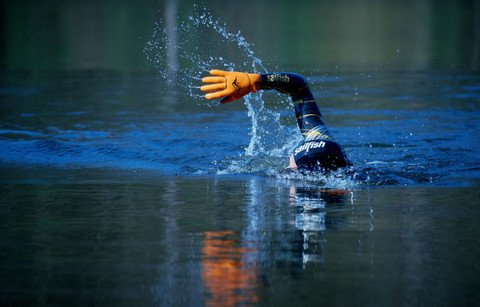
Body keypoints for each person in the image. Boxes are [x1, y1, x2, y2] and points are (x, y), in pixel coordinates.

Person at [201, 69, 351, 172]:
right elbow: (299, 87)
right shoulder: (316, 136)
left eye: (291, 163)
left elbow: (300, 86)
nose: (288, 162)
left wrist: (257, 80)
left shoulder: (290, 179)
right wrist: (257, 81)